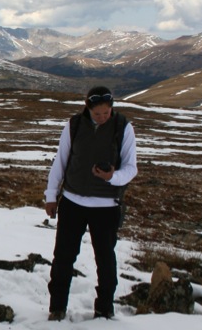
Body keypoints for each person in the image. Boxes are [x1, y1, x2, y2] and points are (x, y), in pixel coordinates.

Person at [44, 86, 137, 321]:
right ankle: (57, 308)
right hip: (73, 202)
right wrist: (51, 195)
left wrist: (112, 177)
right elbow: (61, 161)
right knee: (63, 257)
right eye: (98, 114)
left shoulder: (123, 127)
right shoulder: (74, 125)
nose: (103, 117)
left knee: (105, 259)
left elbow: (131, 168)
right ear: (88, 108)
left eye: (107, 113)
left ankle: (104, 309)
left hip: (106, 206)